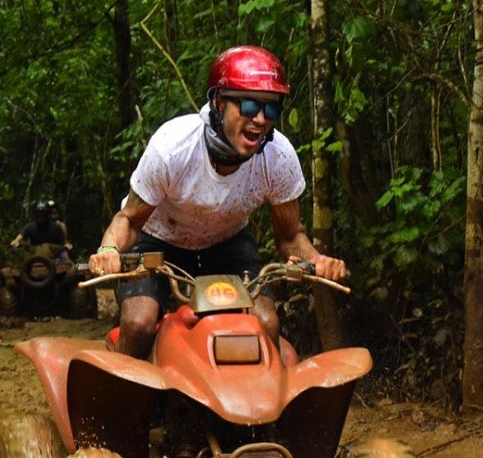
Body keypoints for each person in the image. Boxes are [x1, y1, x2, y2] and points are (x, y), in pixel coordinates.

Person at [87, 45, 346, 358]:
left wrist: (315, 259)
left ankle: (266, 405)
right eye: (249, 105)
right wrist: (109, 251)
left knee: (265, 323)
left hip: (228, 244)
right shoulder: (173, 147)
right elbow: (128, 219)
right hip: (157, 242)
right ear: (219, 102)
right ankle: (121, 403)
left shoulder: (278, 157)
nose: (261, 119)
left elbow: (290, 236)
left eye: (272, 109)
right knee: (139, 324)